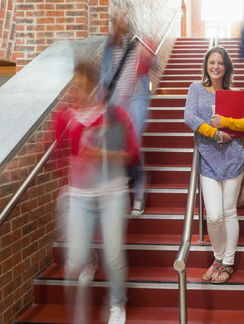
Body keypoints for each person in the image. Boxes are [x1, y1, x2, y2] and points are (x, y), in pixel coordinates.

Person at [55, 61, 140, 324]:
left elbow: (133, 154)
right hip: (80, 197)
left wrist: (103, 155)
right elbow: (59, 156)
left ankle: (117, 303)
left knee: (113, 255)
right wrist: (70, 180)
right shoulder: (65, 117)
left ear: (95, 85)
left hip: (111, 194)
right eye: (75, 86)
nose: (79, 92)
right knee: (76, 258)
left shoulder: (113, 115)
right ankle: (89, 259)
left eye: (83, 86)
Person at [184, 46, 244, 284]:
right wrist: (216, 133)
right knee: (214, 216)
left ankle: (227, 262)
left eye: (220, 63)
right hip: (208, 160)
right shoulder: (196, 89)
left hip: (233, 160)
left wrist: (227, 122)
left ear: (226, 67)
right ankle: (217, 258)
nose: (215, 66)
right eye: (211, 62)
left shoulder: (233, 94)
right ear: (206, 65)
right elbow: (190, 117)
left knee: (229, 212)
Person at [100, 11, 157, 217]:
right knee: (118, 143)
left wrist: (148, 57)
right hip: (117, 101)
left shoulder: (139, 40)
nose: (122, 21)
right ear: (114, 23)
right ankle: (127, 177)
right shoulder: (110, 44)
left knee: (134, 140)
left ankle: (139, 192)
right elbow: (104, 76)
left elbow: (155, 66)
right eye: (118, 19)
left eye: (125, 18)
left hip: (137, 98)